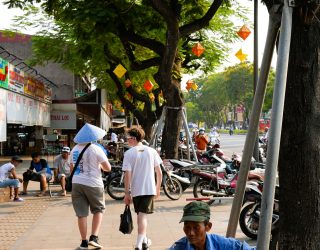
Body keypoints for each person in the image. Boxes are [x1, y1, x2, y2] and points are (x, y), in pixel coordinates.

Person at [70, 123, 112, 249]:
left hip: (77, 183)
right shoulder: (96, 148)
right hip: (93, 183)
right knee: (98, 210)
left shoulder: (74, 149)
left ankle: (83, 242)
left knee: (81, 214)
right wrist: (98, 166)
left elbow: (72, 168)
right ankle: (94, 238)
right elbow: (108, 168)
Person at [123, 127, 163, 250]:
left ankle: (140, 243)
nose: (127, 140)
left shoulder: (129, 153)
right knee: (142, 215)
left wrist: (127, 193)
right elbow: (159, 172)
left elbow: (127, 175)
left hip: (136, 190)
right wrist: (157, 188)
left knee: (141, 215)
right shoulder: (152, 151)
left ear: (134, 138)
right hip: (149, 188)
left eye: (128, 138)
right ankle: (142, 241)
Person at [169, 201, 255, 250]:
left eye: (196, 227)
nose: (191, 233)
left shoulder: (223, 244)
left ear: (208, 227)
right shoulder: (178, 247)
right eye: (187, 227)